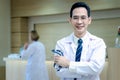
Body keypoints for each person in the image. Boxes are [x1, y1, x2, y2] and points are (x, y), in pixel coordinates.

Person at [54, 2, 106, 80]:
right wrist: (86, 70)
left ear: (89, 20)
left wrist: (68, 64)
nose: (79, 22)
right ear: (70, 20)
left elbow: (96, 68)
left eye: (83, 17)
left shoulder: (98, 43)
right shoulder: (61, 43)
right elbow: (58, 70)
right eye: (75, 18)